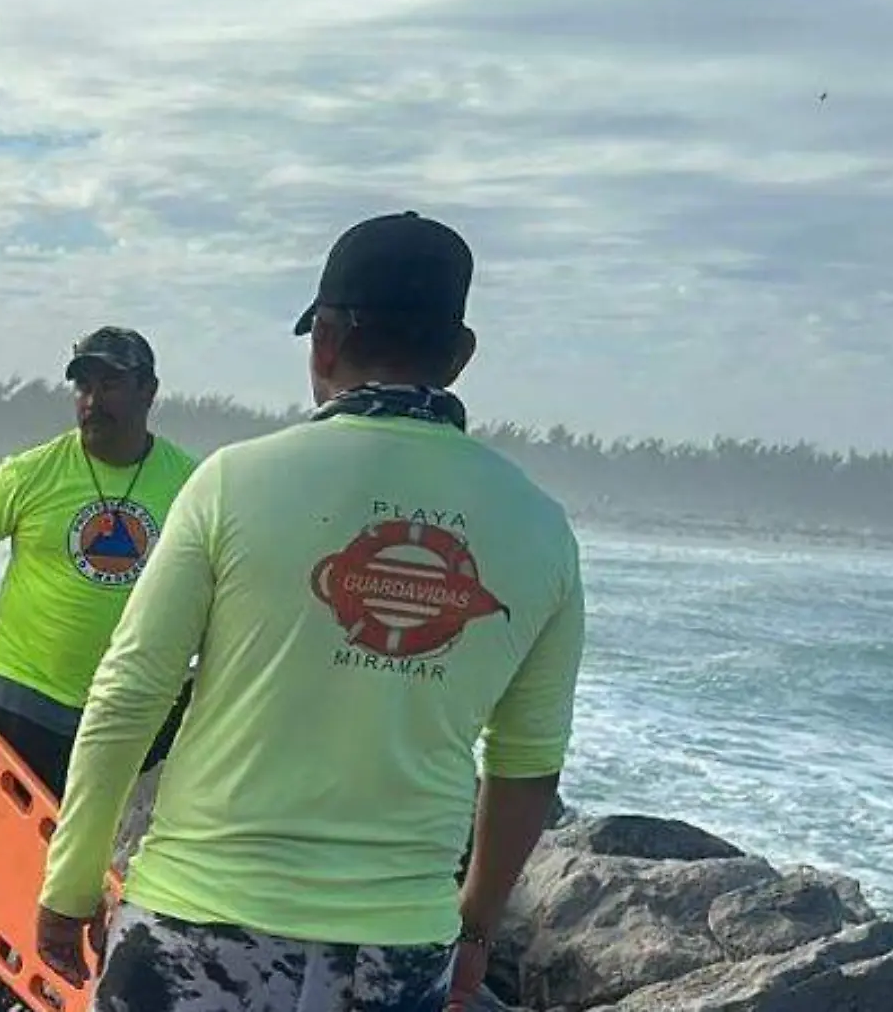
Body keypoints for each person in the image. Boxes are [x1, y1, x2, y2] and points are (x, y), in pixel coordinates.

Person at [35, 211, 588, 1011]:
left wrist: (74, 875)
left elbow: (131, 690)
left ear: (324, 341)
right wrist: (471, 928)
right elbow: (528, 761)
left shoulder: (233, 483)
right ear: (461, 356)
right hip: (396, 951)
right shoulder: (540, 528)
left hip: (199, 925)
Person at [0, 325, 202, 1012]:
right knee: (1, 847)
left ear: (147, 391)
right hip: (23, 693)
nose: (90, 398)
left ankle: (73, 986)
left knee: (87, 851)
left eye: (109, 382)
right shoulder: (32, 472)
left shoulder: (190, 485)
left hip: (131, 708)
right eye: (82, 383)